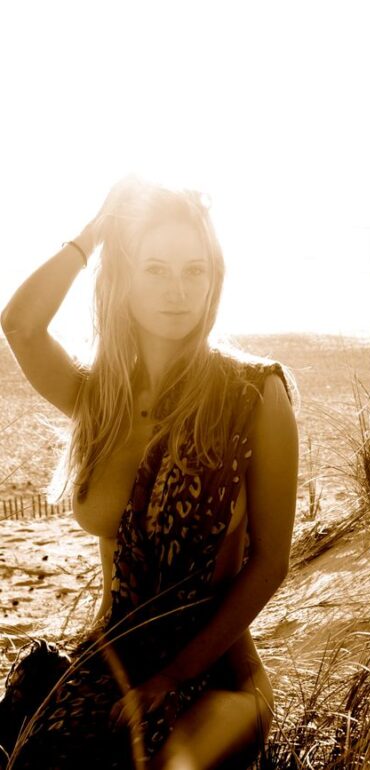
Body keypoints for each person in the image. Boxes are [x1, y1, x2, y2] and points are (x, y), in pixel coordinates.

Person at [0, 177, 299, 769]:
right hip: (112, 660)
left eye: (194, 270)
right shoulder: (101, 400)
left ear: (214, 279)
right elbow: (20, 325)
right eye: (155, 269)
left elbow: (271, 562)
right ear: (124, 279)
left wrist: (172, 675)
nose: (177, 291)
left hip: (220, 676)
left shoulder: (253, 394)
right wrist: (95, 233)